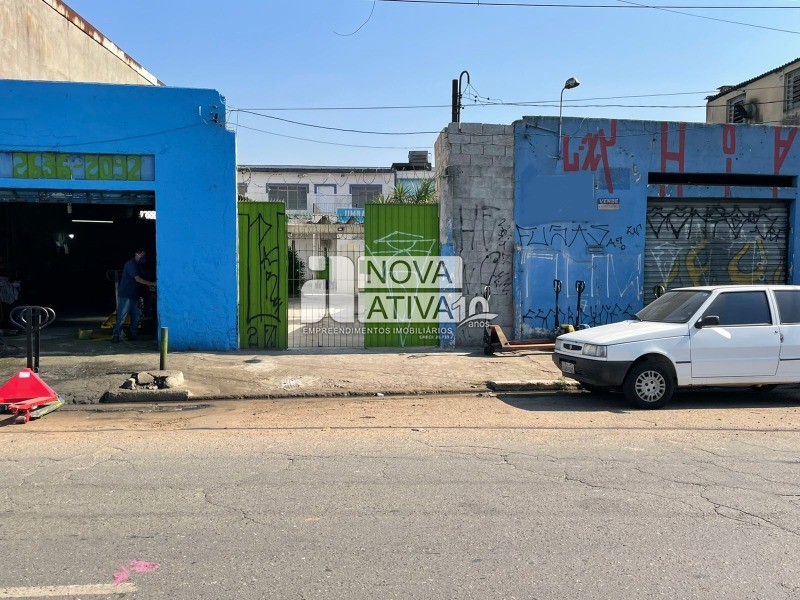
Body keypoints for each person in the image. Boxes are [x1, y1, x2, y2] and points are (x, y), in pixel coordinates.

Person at [112, 249, 155, 343]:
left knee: (136, 316)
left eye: (144, 255)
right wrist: (152, 284)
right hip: (126, 295)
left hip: (134, 295)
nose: (144, 257)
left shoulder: (138, 265)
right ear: (137, 254)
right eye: (142, 255)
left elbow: (141, 278)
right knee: (122, 316)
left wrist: (149, 285)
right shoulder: (131, 264)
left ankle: (133, 335)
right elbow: (138, 279)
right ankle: (116, 335)